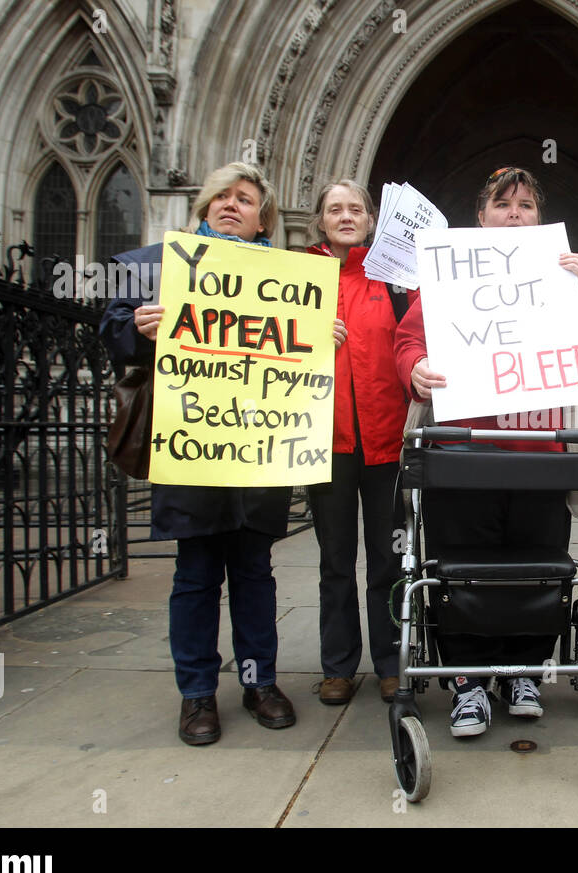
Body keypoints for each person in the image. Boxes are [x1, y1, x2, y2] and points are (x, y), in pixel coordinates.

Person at [394, 166, 578, 736]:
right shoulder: (447, 272)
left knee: (538, 569)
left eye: (525, 205)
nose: (514, 213)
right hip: (463, 454)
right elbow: (410, 338)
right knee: (461, 571)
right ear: (482, 215)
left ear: (539, 218)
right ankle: (468, 682)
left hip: (539, 454)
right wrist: (414, 368)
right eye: (503, 204)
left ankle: (524, 669)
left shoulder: (565, 276)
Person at [99, 161, 296, 745]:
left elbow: (301, 349)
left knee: (255, 572)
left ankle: (260, 684)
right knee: (196, 574)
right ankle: (197, 695)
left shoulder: (287, 279)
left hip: (259, 446)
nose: (231, 205)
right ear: (204, 206)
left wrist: (324, 336)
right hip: (192, 442)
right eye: (221, 197)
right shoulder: (157, 269)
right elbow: (111, 332)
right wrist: (138, 325)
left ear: (264, 221)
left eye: (245, 199)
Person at [305, 179, 410, 706]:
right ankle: (338, 667)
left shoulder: (394, 279)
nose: (345, 216)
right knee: (335, 561)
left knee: (388, 562)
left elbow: (416, 342)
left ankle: (390, 662)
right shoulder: (297, 278)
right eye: (334, 209)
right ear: (320, 220)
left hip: (386, 444)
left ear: (371, 219)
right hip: (326, 443)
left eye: (355, 209)